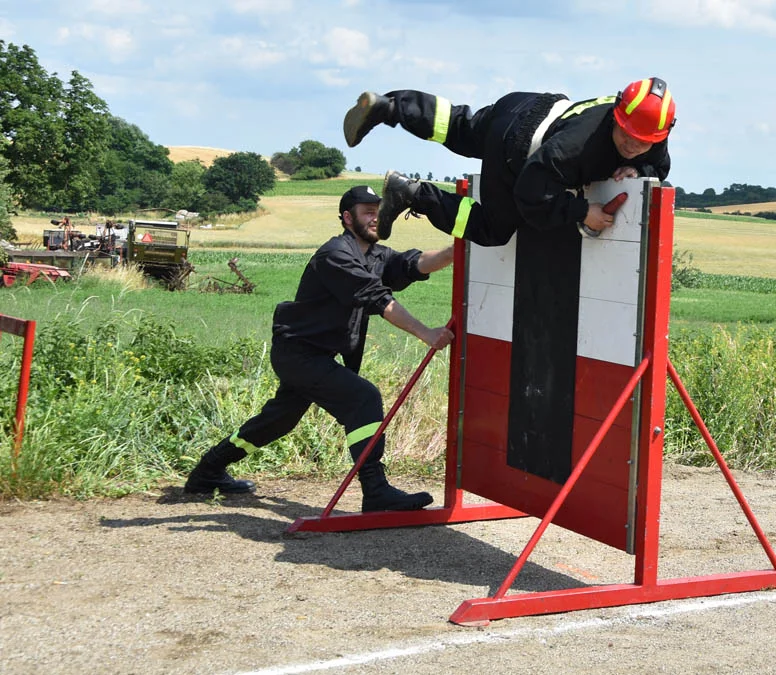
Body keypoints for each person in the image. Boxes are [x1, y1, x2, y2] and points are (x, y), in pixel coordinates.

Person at [183, 186, 455, 511]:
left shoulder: (375, 255)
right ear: (346, 217)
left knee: (279, 421)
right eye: (367, 211)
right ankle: (375, 489)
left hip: (314, 356)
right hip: (298, 354)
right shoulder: (336, 254)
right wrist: (426, 333)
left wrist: (456, 251)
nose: (375, 217)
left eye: (378, 211)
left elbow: (413, 264)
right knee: (363, 398)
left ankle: (208, 470)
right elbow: (377, 298)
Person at [342, 77, 675, 244]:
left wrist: (641, 168)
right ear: (618, 116)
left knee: (460, 126)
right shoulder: (577, 147)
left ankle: (389, 107)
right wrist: (582, 211)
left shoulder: (649, 130)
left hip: (526, 105)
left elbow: (659, 166)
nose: (633, 145)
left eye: (644, 142)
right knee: (493, 230)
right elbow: (530, 193)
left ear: (660, 134)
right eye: (627, 136)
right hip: (517, 146)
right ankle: (414, 193)